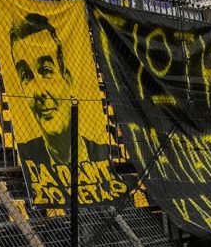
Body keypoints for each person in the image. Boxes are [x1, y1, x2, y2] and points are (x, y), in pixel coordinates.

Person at [8, 12, 125, 206]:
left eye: (46, 71)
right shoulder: (27, 153)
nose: (39, 91)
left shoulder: (100, 151)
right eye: (26, 76)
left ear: (68, 80)